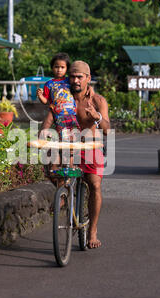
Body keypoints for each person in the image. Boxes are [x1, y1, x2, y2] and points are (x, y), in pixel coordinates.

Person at [40, 60, 110, 249]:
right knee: (51, 168)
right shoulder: (63, 97)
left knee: (95, 185)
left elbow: (107, 130)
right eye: (72, 76)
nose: (76, 80)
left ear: (88, 78)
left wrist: (98, 118)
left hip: (91, 147)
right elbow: (49, 118)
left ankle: (92, 231)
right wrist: (44, 133)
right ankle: (62, 194)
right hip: (69, 146)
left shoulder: (97, 101)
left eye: (80, 77)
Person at [37, 52, 80, 139]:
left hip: (72, 114)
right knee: (63, 135)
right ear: (52, 68)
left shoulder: (69, 81)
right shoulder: (49, 84)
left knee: (76, 134)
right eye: (56, 67)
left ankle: (74, 151)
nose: (59, 70)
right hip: (58, 115)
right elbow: (46, 101)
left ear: (67, 68)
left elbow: (80, 87)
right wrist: (40, 96)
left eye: (62, 67)